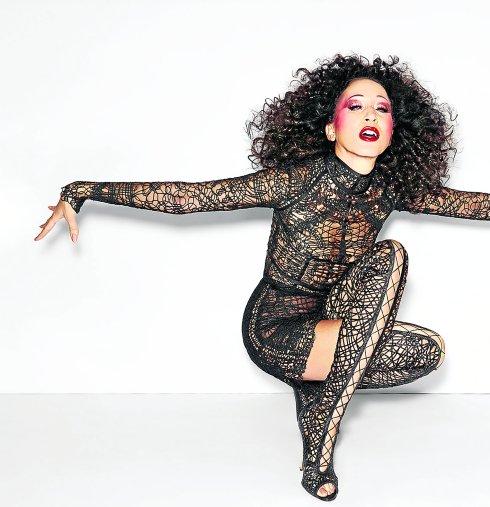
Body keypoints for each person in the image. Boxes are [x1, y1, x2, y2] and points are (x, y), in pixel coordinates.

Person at [34, 54, 490, 501]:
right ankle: (321, 438)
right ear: (331, 128)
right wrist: (83, 190)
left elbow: (471, 205)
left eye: (382, 108)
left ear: (393, 132)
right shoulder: (295, 180)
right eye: (356, 106)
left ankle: (315, 390)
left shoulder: (389, 190)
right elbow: (189, 199)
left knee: (426, 351)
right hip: (275, 328)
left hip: (336, 325)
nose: (370, 115)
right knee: (392, 256)